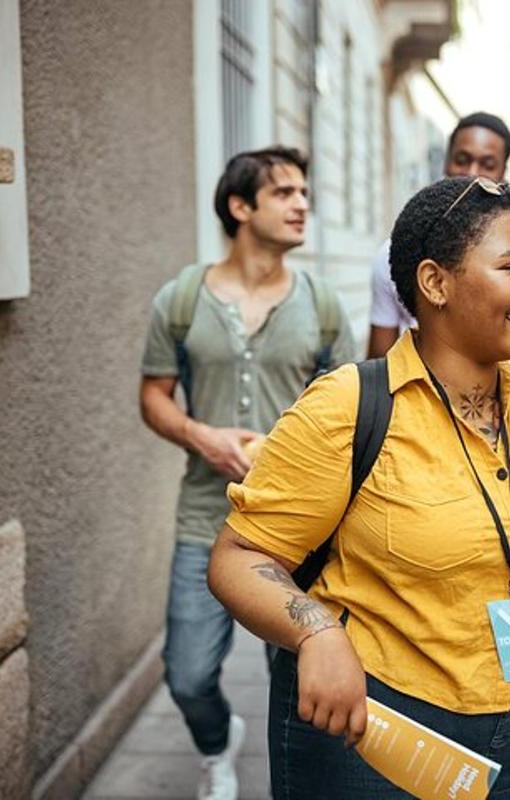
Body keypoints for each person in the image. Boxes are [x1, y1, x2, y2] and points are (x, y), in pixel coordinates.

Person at [207, 175, 510, 799]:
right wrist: (315, 630)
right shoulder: (347, 406)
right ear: (435, 282)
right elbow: (240, 556)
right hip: (378, 729)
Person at [139, 146, 356, 800]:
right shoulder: (180, 299)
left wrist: (290, 451)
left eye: (304, 194)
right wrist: (199, 435)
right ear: (240, 207)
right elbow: (152, 395)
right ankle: (216, 744)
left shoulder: (320, 304)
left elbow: (352, 409)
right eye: (284, 193)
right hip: (206, 518)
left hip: (298, 532)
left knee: (294, 676)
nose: (301, 205)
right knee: (187, 675)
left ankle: (295, 784)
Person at [368, 111, 510, 376]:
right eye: (462, 160)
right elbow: (378, 364)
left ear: (503, 173)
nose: (472, 174)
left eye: (487, 164)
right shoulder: (396, 254)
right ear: (432, 280)